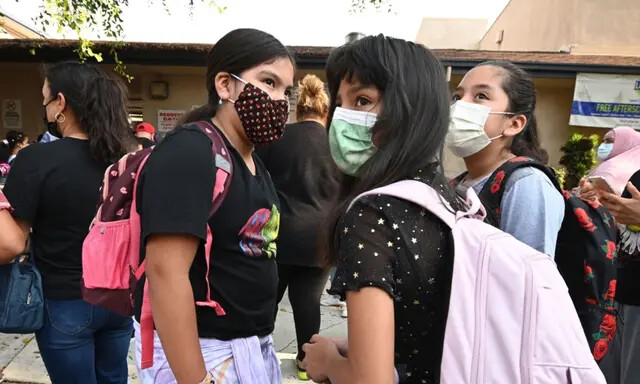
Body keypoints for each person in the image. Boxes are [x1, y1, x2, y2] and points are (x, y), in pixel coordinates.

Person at [133, 28, 294, 383]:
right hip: (207, 355)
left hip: (249, 349)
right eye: (267, 81)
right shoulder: (192, 152)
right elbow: (165, 273)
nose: (279, 100)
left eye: (286, 90)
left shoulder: (252, 160)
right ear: (225, 85)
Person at [301, 34, 461, 384]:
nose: (343, 119)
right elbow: (426, 329)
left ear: (412, 110)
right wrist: (353, 345)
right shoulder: (455, 200)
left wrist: (327, 362)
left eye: (363, 100)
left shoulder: (372, 214)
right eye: (340, 103)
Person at [0, 61, 136, 384]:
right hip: (118, 300)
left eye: (45, 98)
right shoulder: (125, 162)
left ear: (60, 103)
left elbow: (10, 243)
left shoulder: (35, 161)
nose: (44, 107)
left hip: (65, 302)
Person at [255, 74, 340, 380]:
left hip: (277, 237)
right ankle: (307, 364)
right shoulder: (338, 146)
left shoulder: (275, 140)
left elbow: (257, 182)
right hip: (321, 240)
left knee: (268, 300)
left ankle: (257, 356)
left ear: (296, 110)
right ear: (326, 112)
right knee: (307, 303)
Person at [448, 60, 564, 257]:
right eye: (457, 96)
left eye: (481, 96)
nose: (461, 105)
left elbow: (528, 277)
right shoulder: (460, 182)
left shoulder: (527, 184)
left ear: (514, 124)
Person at [584, 126, 640, 196]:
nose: (603, 145)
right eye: (603, 141)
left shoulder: (611, 168)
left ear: (626, 143)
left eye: (609, 141)